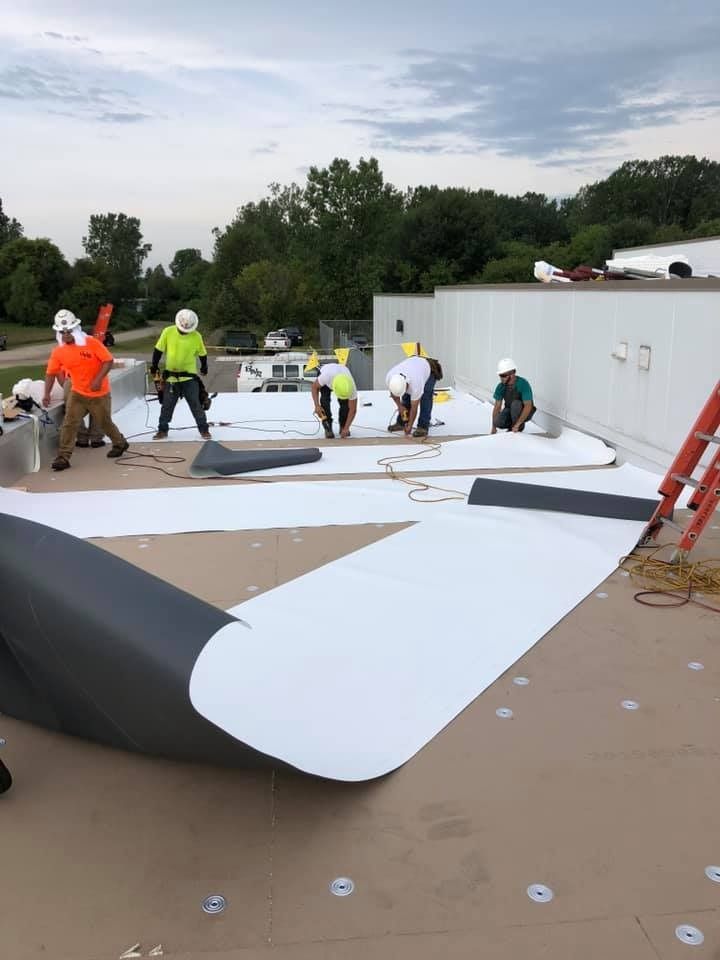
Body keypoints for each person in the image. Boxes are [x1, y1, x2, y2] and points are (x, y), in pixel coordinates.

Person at [43, 309, 129, 471]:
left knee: (104, 423)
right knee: (69, 423)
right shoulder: (58, 352)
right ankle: (63, 457)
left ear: (75, 329)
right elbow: (51, 373)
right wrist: (46, 393)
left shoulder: (91, 343)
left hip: (99, 394)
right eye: (62, 332)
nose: (66, 335)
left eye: (69, 331)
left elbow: (108, 361)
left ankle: (120, 443)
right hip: (78, 393)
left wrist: (97, 380)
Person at [150, 308, 211, 440]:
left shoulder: (196, 336)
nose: (184, 331)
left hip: (189, 377)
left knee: (196, 404)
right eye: (182, 329)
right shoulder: (168, 332)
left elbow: (202, 354)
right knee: (167, 405)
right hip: (171, 378)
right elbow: (158, 350)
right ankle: (162, 430)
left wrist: (204, 367)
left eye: (186, 330)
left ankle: (204, 430)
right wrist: (154, 366)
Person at [385, 355, 439, 438]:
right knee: (406, 398)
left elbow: (414, 408)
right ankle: (401, 423)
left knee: (425, 399)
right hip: (414, 366)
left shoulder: (416, 384)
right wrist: (400, 407)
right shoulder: (390, 378)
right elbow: (394, 394)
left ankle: (423, 426)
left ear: (406, 384)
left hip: (428, 370)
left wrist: (410, 425)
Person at [311, 363, 358, 439]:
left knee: (345, 405)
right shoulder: (326, 377)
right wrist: (317, 406)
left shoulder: (350, 386)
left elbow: (353, 410)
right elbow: (314, 387)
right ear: (334, 388)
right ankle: (328, 427)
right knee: (325, 400)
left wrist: (346, 428)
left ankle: (343, 426)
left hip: (341, 373)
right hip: (325, 371)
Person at [491, 358, 536, 433]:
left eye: (503, 375)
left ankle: (518, 427)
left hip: (525, 410)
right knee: (497, 421)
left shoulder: (523, 384)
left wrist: (518, 424)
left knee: (516, 404)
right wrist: (493, 427)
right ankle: (512, 426)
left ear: (512, 374)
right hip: (509, 409)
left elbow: (528, 405)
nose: (501, 378)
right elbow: (497, 407)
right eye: (500, 375)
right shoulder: (501, 386)